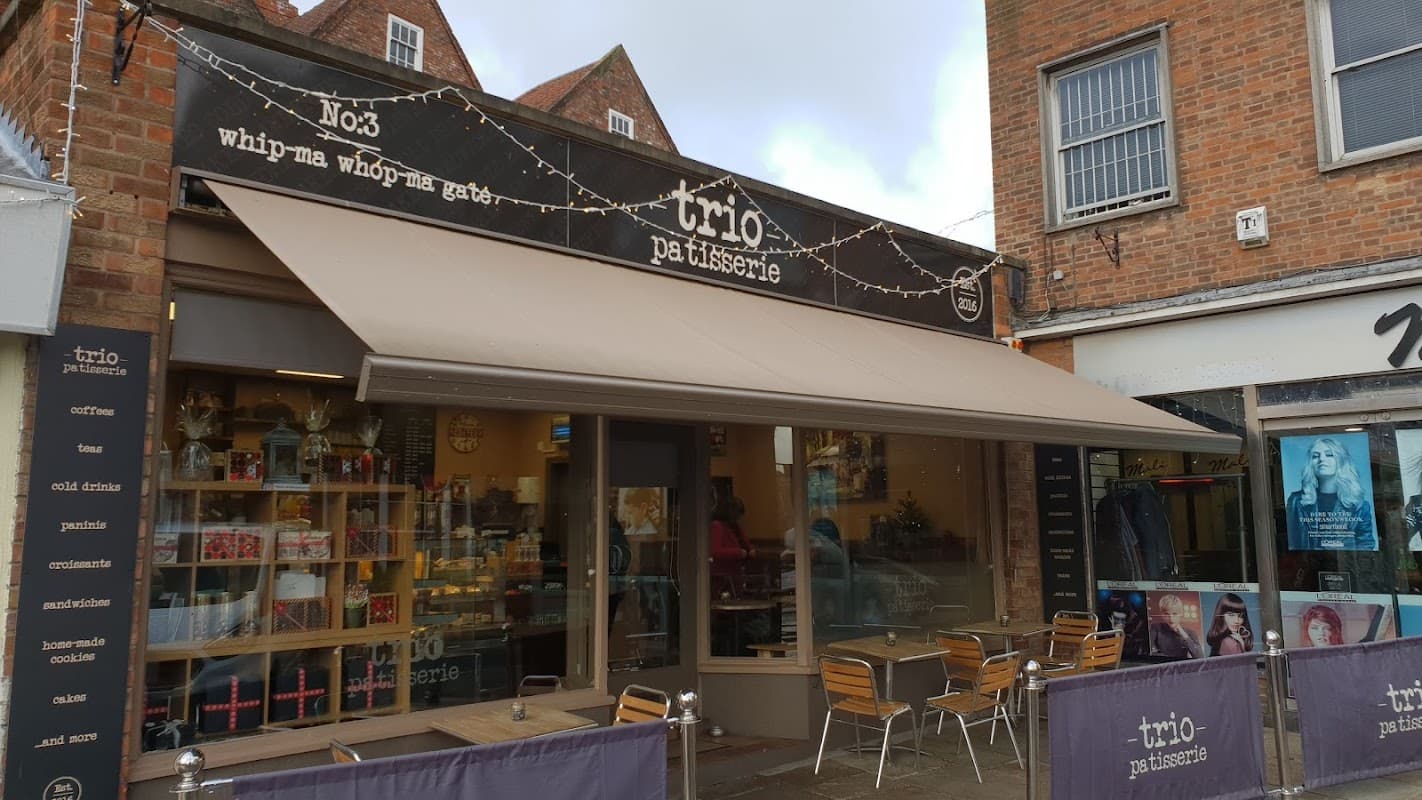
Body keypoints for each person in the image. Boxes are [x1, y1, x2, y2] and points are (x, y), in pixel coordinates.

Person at [1285, 437, 1376, 551]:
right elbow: (1292, 542)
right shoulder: (1296, 501)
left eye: (1329, 455)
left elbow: (1366, 545)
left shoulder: (1359, 505)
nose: (1321, 459)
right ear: (1310, 463)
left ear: (1341, 460)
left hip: (1345, 565)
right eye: (1315, 456)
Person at [710, 496, 755, 596]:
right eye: (737, 514)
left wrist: (751, 550)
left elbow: (745, 543)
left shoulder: (736, 527)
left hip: (736, 575)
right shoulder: (717, 526)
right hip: (722, 576)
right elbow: (715, 551)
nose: (739, 518)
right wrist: (738, 553)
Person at [1149, 594, 1202, 659]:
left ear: (1181, 614)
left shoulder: (1190, 633)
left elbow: (1199, 657)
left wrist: (1184, 635)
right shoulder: (1155, 628)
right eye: (1166, 614)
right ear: (1162, 614)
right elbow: (1150, 653)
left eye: (1174, 614)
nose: (1171, 618)